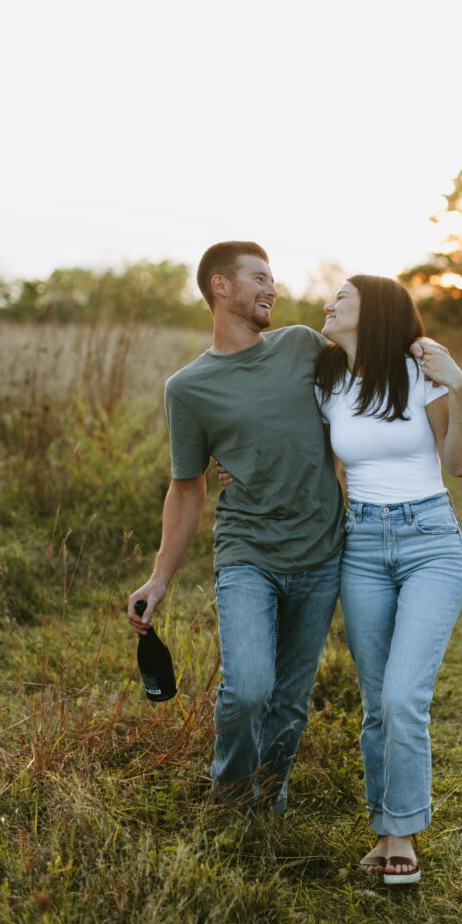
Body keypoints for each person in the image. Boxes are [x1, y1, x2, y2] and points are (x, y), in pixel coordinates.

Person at [127, 241, 346, 814]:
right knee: (248, 690)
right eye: (258, 278)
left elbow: (359, 395)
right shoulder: (188, 388)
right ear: (220, 286)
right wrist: (159, 578)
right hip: (248, 553)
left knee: (291, 702)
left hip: (322, 552)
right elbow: (187, 486)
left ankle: (268, 800)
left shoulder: (301, 344)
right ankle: (229, 799)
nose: (271, 288)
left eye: (272, 279)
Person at [316, 275, 462, 885]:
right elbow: (302, 451)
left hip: (430, 540)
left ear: (374, 310)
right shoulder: (326, 381)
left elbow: (458, 464)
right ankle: (385, 829)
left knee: (404, 695)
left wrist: (459, 391)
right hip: (360, 544)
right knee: (377, 699)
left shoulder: (422, 374)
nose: (328, 305)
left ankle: (403, 829)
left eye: (342, 298)